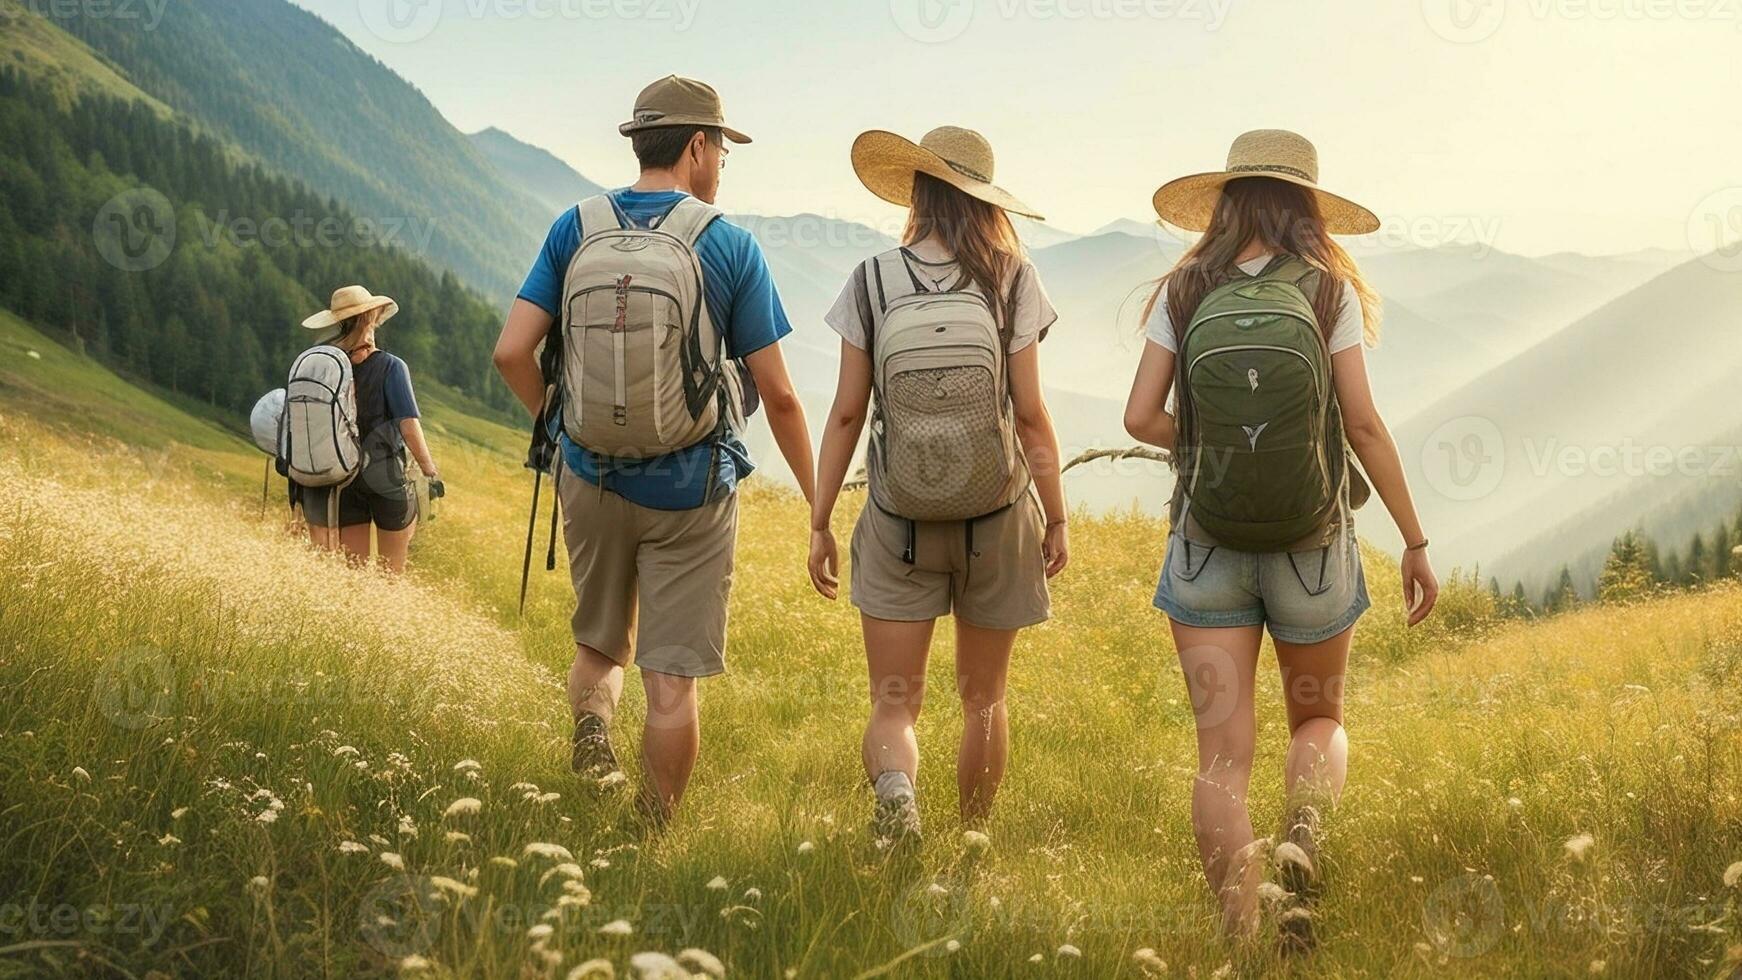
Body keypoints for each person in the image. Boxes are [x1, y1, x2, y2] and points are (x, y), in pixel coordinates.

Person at [1123, 130, 1440, 949]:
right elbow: (1363, 424)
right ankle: (1303, 843)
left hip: (1204, 545)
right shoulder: (1329, 289)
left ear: (1224, 201)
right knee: (1317, 723)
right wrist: (1413, 539)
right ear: (1307, 206)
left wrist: (1215, 449)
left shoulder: (1185, 288)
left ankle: (1239, 936)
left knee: (1222, 755)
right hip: (1314, 542)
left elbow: (1138, 418)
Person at [492, 75, 815, 824]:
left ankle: (593, 728)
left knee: (601, 645)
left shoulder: (576, 227)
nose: (724, 164)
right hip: (690, 495)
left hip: (589, 473)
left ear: (640, 141)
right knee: (670, 680)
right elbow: (785, 395)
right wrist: (817, 505)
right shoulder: (728, 243)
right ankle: (650, 828)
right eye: (723, 149)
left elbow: (511, 352)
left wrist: (562, 427)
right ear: (697, 145)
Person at [808, 127, 1069, 846]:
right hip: (1000, 514)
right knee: (984, 701)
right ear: (986, 201)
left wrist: (821, 519)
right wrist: (1056, 517)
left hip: (898, 520)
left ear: (918, 189)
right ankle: (971, 845)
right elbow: (1033, 415)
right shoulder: (1014, 278)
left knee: (894, 704)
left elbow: (846, 411)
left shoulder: (871, 279)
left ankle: (897, 792)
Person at [296, 285, 437, 574]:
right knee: (391, 575)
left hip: (345, 478)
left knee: (354, 575)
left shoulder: (328, 367)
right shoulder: (391, 367)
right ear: (372, 317)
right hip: (386, 478)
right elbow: (408, 425)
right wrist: (429, 469)